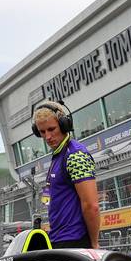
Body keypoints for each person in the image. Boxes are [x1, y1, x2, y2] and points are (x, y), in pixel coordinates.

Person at [31, 101, 100, 249]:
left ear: (64, 125)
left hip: (74, 242)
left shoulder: (76, 155)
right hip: (57, 240)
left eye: (51, 129)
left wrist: (94, 244)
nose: (47, 136)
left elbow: (91, 206)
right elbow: (49, 200)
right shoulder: (57, 156)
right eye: (42, 132)